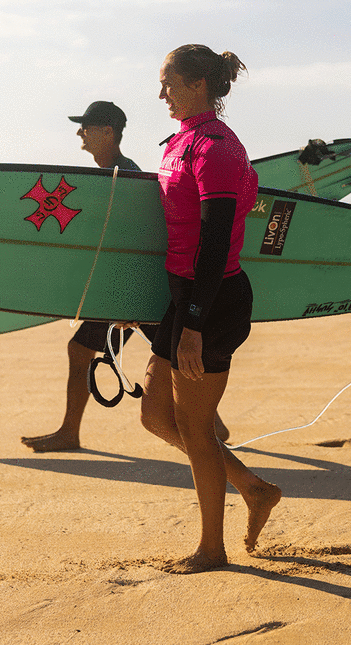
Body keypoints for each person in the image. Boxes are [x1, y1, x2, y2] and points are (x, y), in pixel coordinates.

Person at [138, 44, 281, 574]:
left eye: (168, 83)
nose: (161, 94)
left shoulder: (217, 148)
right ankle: (252, 486)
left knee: (196, 429)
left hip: (212, 298)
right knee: (156, 417)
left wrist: (193, 322)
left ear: (198, 84)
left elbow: (217, 239)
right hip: (180, 294)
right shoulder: (182, 140)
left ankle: (211, 548)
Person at [21, 100, 229, 452]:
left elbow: (138, 239)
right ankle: (215, 426)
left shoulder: (125, 176)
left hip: (131, 293)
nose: (79, 133)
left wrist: (125, 299)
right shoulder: (112, 175)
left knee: (89, 350)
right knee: (171, 356)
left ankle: (70, 432)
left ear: (108, 132)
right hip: (129, 291)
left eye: (86, 126)